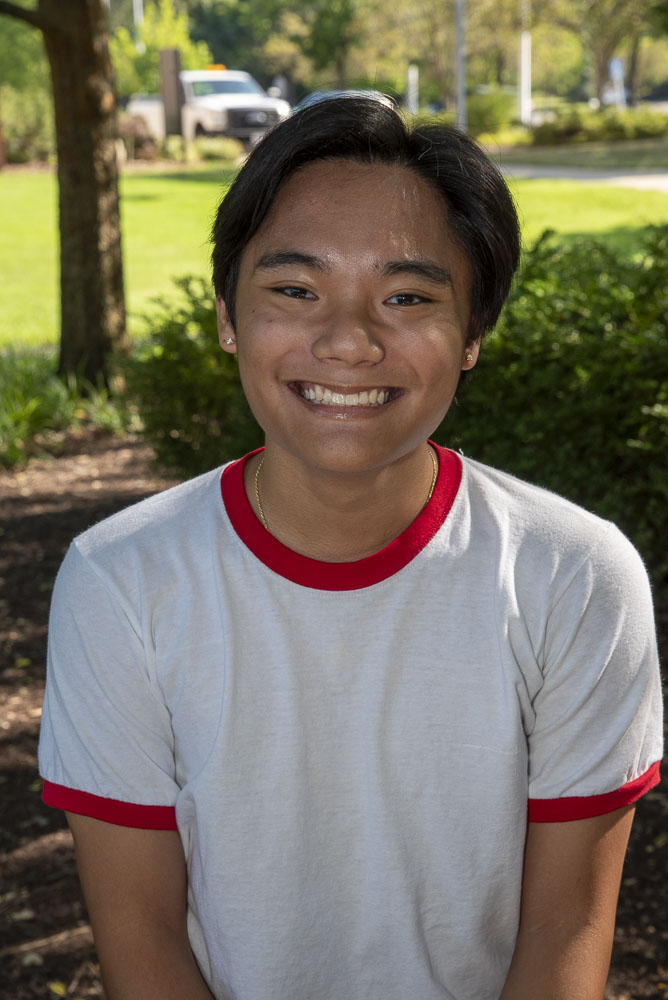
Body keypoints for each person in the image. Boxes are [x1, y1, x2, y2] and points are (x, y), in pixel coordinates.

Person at [39, 97, 662, 1000]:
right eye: (296, 290)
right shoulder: (121, 581)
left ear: (474, 334)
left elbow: (565, 928)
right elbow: (141, 934)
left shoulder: (574, 576)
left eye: (407, 297)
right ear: (227, 315)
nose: (348, 342)